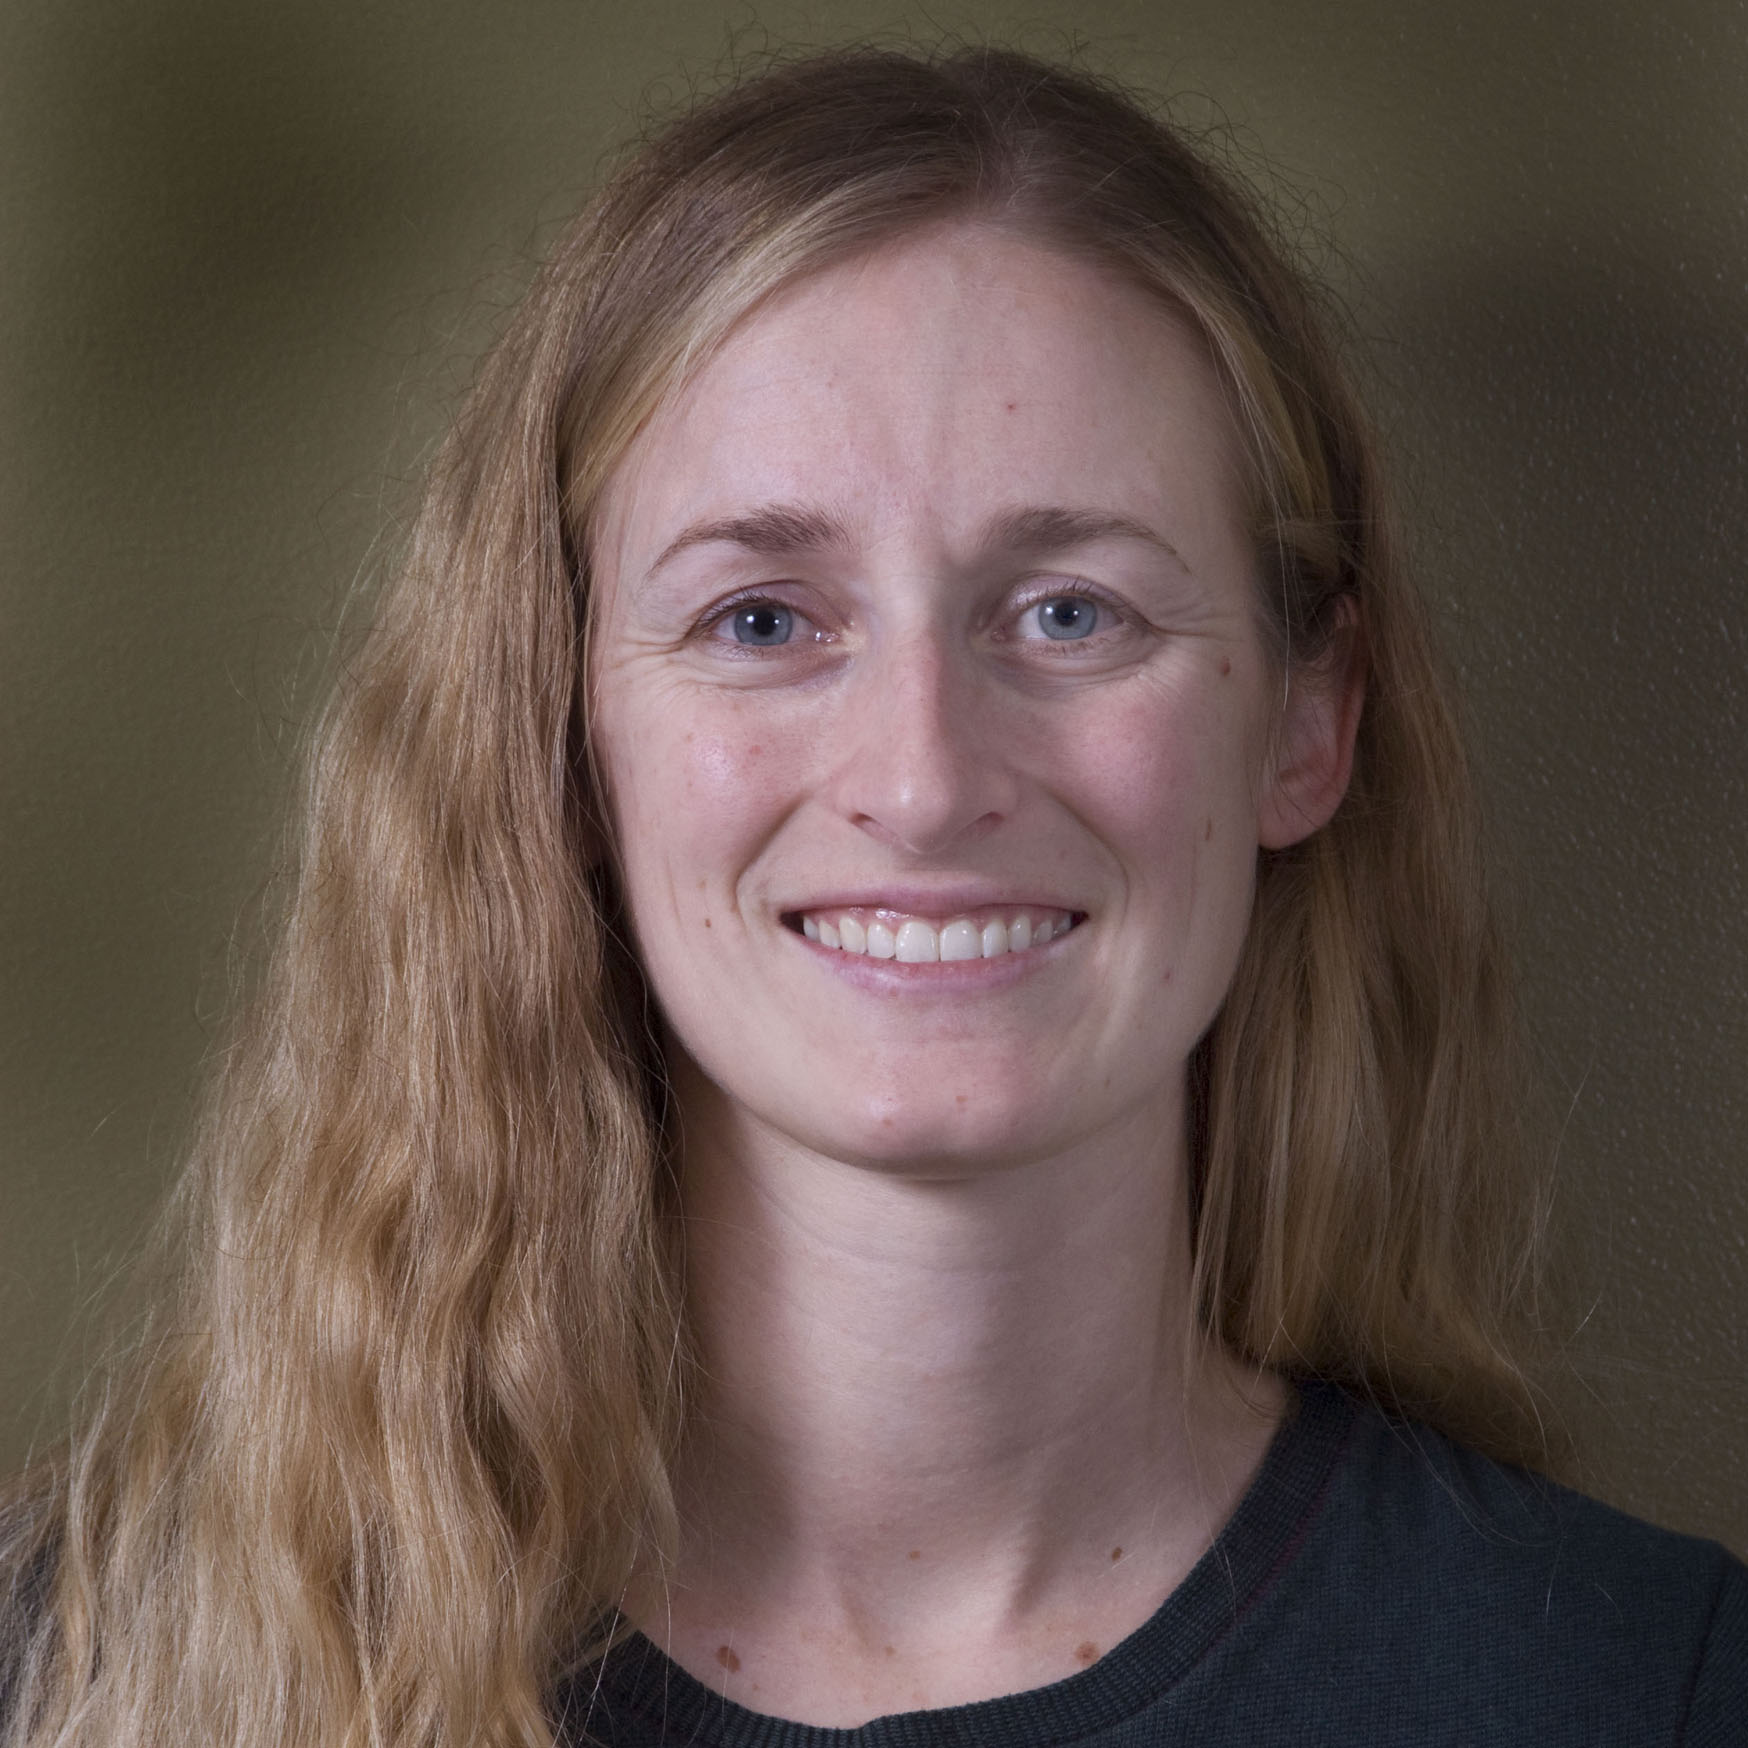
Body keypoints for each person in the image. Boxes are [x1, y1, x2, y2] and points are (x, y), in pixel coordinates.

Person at [2, 43, 1743, 1748]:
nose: (920, 780)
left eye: (1072, 611)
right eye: (763, 620)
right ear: (565, 724)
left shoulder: (1642, 1686)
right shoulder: (86, 1667)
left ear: (1308, 718)